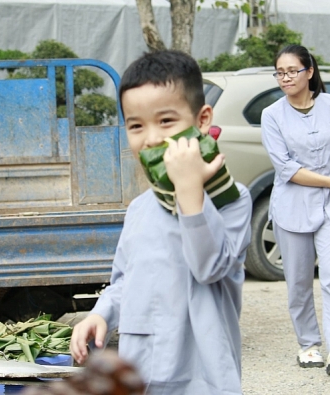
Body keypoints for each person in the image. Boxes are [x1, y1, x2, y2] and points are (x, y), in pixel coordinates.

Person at [70, 50, 252, 394]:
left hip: (203, 375)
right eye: (136, 125)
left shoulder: (231, 200)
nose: (150, 138)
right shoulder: (140, 209)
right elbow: (125, 281)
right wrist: (101, 314)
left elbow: (210, 268)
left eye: (166, 121)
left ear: (202, 120)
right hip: (141, 372)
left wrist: (190, 191)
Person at [260, 44, 330, 376]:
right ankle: (309, 345)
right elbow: (287, 170)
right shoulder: (271, 115)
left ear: (309, 72)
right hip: (292, 209)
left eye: (292, 71)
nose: (285, 77)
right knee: (299, 282)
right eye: (280, 72)